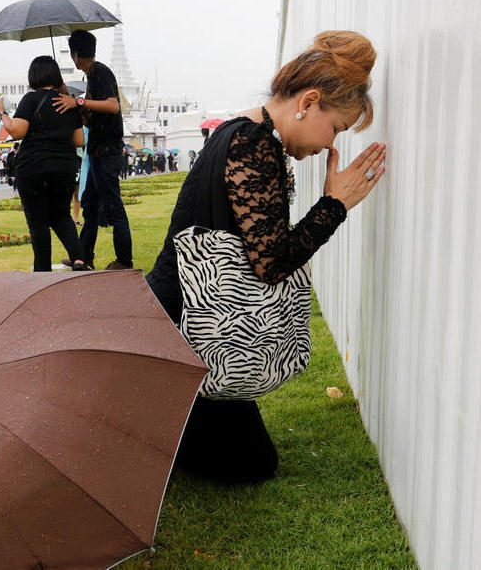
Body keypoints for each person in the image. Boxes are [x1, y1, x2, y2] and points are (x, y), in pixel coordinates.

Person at [146, 31, 386, 485]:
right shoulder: (255, 146)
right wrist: (334, 205)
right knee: (251, 464)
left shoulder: (241, 131)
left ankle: (163, 416)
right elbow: (271, 263)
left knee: (249, 452)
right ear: (309, 102)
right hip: (189, 332)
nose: (328, 143)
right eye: (334, 127)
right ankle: (156, 419)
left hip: (187, 319)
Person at [0, 56, 86, 272]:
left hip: (33, 166)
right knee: (61, 215)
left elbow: (16, 131)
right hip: (64, 166)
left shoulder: (31, 99)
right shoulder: (68, 102)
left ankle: (43, 269)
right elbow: (79, 140)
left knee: (38, 221)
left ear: (33, 76)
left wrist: (2, 112)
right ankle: (79, 259)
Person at [54, 29, 133, 270]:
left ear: (76, 54)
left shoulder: (100, 72)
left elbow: (112, 106)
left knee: (114, 207)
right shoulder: (92, 76)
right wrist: (72, 100)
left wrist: (78, 101)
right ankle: (84, 256)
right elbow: (91, 118)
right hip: (98, 151)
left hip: (107, 153)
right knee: (89, 205)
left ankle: (124, 260)